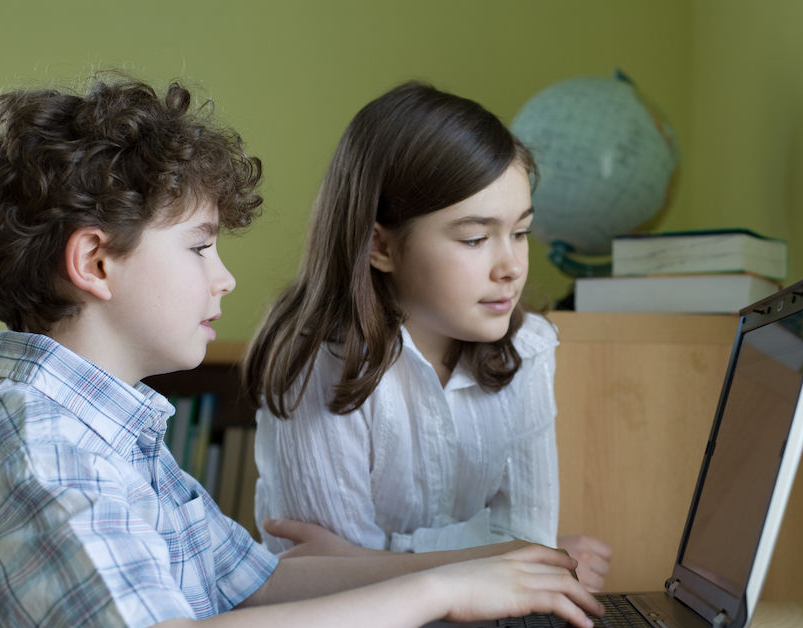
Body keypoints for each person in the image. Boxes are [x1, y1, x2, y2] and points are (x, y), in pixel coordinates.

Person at [0, 73, 603, 628]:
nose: (225, 277)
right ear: (95, 263)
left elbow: (261, 584)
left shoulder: (111, 432)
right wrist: (440, 591)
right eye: (200, 247)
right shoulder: (40, 446)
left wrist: (489, 566)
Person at [243, 82, 613, 591]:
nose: (511, 267)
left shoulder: (529, 347)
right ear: (380, 246)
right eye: (475, 238)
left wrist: (378, 558)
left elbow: (527, 543)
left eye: (521, 232)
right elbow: (332, 584)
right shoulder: (320, 362)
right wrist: (494, 553)